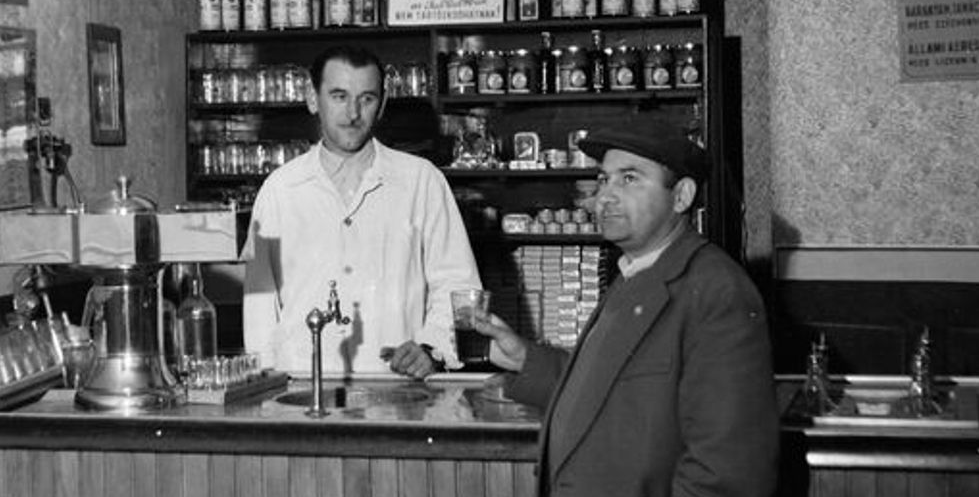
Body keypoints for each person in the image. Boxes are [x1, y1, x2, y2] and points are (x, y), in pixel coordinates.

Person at [472, 126, 779, 497]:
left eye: (629, 179)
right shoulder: (635, 273)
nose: (605, 196)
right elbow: (610, 389)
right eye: (604, 179)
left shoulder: (716, 291)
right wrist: (525, 358)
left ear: (681, 196)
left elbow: (728, 475)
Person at [242, 45, 482, 379]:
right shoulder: (280, 189)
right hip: (301, 387)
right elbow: (259, 304)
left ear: (381, 105)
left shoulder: (421, 181)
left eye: (366, 98)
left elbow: (458, 286)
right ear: (313, 99)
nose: (352, 113)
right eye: (339, 96)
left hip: (399, 387)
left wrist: (433, 349)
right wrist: (265, 381)